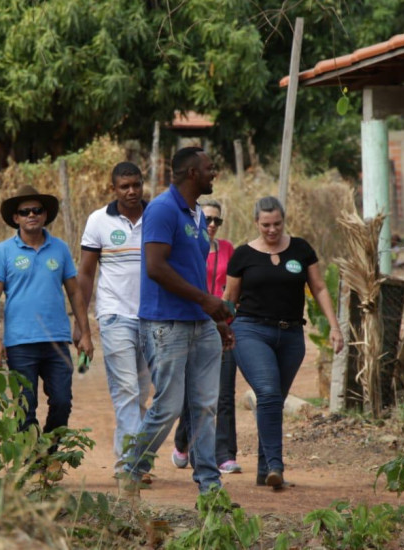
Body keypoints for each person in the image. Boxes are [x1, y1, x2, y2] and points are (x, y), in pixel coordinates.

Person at [120, 147, 234, 497]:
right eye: (209, 168)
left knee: (204, 406)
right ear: (190, 173)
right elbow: (155, 267)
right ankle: (132, 469)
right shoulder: (162, 210)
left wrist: (214, 318)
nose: (214, 173)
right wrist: (206, 301)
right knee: (168, 406)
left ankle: (210, 489)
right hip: (165, 324)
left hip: (200, 324)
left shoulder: (197, 214)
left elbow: (195, 274)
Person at [222, 196, 343, 490]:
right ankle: (276, 465)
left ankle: (265, 471)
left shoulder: (301, 249)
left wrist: (335, 326)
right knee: (267, 392)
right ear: (256, 223)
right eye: (266, 225)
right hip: (250, 331)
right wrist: (221, 330)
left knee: (272, 401)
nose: (272, 230)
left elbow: (319, 287)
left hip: (290, 335)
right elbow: (229, 298)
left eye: (277, 223)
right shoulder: (242, 255)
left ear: (284, 220)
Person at [0, 185, 94, 452]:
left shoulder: (60, 249)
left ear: (45, 215)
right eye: (25, 211)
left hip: (57, 341)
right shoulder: (4, 251)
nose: (31, 215)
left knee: (61, 401)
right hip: (20, 343)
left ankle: (48, 452)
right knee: (25, 405)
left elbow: (75, 291)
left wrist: (86, 333)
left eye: (37, 210)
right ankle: (32, 461)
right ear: (16, 218)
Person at [75, 162, 152, 474]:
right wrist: (82, 326)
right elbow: (85, 273)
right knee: (126, 391)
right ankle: (130, 463)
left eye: (136, 184)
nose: (131, 191)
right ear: (113, 189)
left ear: (142, 184)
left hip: (152, 316)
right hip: (114, 315)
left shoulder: (157, 216)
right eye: (124, 186)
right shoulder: (98, 221)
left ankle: (133, 456)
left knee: (143, 392)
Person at [171, 199, 242, 475]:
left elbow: (234, 286)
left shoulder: (227, 249)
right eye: (207, 219)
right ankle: (182, 442)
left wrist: (225, 316)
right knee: (192, 392)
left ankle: (224, 454)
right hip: (191, 325)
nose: (212, 225)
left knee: (223, 392)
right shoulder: (185, 248)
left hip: (222, 325)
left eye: (217, 221)